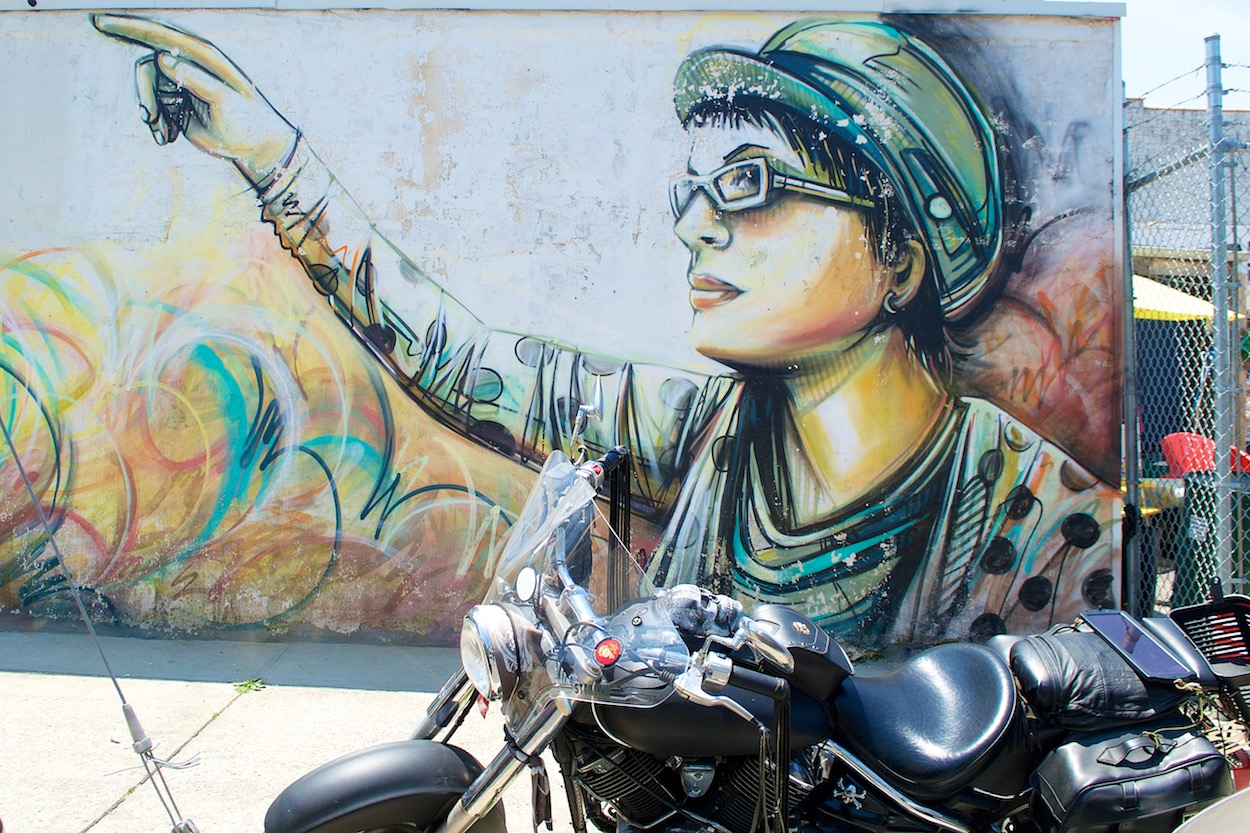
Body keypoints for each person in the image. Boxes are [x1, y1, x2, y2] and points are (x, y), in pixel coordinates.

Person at [93, 13, 1119, 645]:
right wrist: (277, 161)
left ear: (898, 250)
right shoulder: (696, 429)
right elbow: (462, 357)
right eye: (691, 191)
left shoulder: (1052, 527)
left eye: (749, 184)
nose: (695, 222)